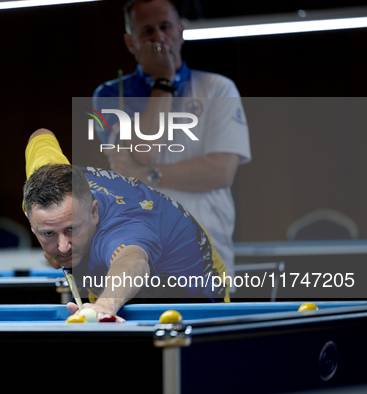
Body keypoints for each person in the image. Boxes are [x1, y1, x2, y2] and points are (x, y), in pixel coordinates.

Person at [92, 0, 251, 280]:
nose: (159, 38)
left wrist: (144, 176)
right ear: (131, 43)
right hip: (140, 253)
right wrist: (163, 81)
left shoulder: (218, 88)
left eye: (165, 27)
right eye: (148, 31)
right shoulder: (111, 95)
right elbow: (147, 151)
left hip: (206, 253)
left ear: (180, 30)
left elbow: (221, 172)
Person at [23, 128, 229, 322]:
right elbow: (41, 135)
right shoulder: (43, 183)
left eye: (71, 229)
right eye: (48, 232)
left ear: (94, 212)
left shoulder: (120, 230)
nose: (63, 246)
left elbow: (133, 261)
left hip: (193, 288)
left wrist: (105, 305)